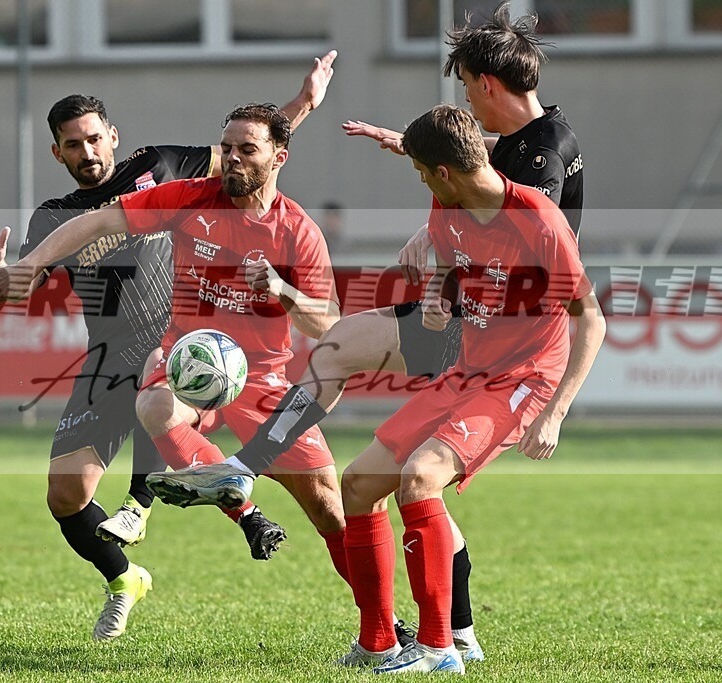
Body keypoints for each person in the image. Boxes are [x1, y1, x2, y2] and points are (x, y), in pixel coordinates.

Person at [146, 2, 581, 661]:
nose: (464, 97)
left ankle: (439, 635)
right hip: (471, 325)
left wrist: (451, 272)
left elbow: (522, 244)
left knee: (408, 456)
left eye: (463, 84)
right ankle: (408, 633)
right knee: (367, 456)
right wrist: (417, 163)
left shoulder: (538, 168)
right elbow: (477, 170)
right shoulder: (514, 146)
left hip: (507, 344)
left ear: (485, 83)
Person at [0, 51, 336, 641]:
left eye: (94, 139)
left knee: (160, 391)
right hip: (109, 354)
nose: (87, 153)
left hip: (184, 345)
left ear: (113, 136)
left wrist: (304, 104)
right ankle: (124, 578)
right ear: (56, 153)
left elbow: (251, 158)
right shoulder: (54, 217)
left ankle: (153, 506)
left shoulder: (163, 166)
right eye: (72, 145)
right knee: (65, 494)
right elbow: (20, 287)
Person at [337, 104, 604, 673]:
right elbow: (452, 263)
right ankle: (378, 641)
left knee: (420, 477)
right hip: (468, 371)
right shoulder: (448, 202)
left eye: (421, 172)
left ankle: (438, 649)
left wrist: (555, 413)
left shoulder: (538, 219)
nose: (423, 184)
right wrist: (438, 296)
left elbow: (593, 319)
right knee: (357, 484)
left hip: (523, 379)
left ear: (444, 171)